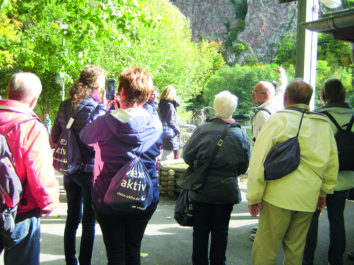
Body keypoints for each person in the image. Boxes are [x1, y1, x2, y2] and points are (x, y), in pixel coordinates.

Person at [247, 80, 338, 265]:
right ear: (309, 99)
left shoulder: (278, 120)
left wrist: (253, 196)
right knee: (296, 250)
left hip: (277, 197)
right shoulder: (323, 124)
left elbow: (259, 161)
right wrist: (324, 192)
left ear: (285, 98)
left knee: (266, 248)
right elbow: (331, 163)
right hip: (307, 197)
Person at [80, 67, 162, 265]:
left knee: (115, 253)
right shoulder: (155, 123)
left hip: (108, 197)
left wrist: (107, 108)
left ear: (121, 91)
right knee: (133, 249)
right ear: (147, 94)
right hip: (143, 195)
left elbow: (85, 137)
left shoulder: (105, 121)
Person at [183, 91, 250, 265]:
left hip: (201, 188)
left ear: (215, 108)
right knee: (221, 231)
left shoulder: (202, 130)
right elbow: (244, 166)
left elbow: (187, 156)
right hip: (226, 190)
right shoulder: (241, 135)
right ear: (233, 110)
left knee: (200, 231)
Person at [0, 72, 60, 265]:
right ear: (34, 100)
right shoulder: (31, 128)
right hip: (20, 210)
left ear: (8, 92)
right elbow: (39, 173)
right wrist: (48, 203)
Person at [51, 65, 106, 265]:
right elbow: (100, 143)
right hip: (89, 170)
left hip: (69, 169)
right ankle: (85, 262)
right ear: (98, 84)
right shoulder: (98, 108)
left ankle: (70, 261)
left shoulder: (65, 105)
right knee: (89, 222)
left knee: (72, 217)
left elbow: (55, 137)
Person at [303, 78, 354, 265]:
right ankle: (336, 260)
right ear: (343, 94)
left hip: (319, 179)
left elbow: (310, 150)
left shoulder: (317, 117)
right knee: (337, 220)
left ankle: (307, 260)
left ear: (323, 95)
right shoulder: (352, 115)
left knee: (311, 220)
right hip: (346, 177)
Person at [251, 67, 288, 142]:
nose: (252, 94)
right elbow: (281, 89)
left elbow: (261, 143)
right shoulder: (277, 103)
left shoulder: (262, 115)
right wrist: (282, 74)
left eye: (255, 92)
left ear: (266, 95)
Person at [158, 85, 180, 160]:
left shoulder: (161, 104)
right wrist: (177, 130)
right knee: (167, 154)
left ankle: (160, 168)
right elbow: (170, 120)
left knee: (163, 153)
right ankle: (163, 170)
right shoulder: (170, 106)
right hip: (170, 133)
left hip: (162, 132)